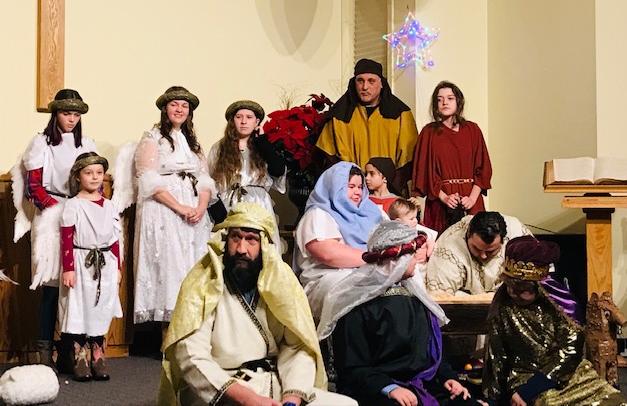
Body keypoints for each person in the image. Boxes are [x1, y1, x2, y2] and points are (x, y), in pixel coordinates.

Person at [158, 202, 356, 406]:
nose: (241, 249)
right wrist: (248, 399)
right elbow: (191, 355)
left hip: (272, 383)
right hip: (221, 388)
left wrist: (292, 398)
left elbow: (296, 346)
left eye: (251, 239)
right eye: (236, 237)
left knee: (346, 404)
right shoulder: (203, 285)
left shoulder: (282, 284)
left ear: (264, 246)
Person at [324, 221, 485, 406]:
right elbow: (352, 367)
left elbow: (432, 355)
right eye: (412, 255)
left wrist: (448, 377)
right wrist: (390, 388)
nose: (416, 260)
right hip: (377, 389)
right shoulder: (357, 305)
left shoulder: (417, 299)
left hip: (424, 385)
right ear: (396, 261)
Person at [482, 236, 627, 406]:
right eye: (510, 287)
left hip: (569, 374)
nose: (514, 294)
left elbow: (570, 350)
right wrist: (493, 399)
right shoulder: (503, 305)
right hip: (524, 377)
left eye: (522, 290)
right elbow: (496, 355)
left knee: (617, 402)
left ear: (538, 286)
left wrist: (538, 384)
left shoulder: (560, 306)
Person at [11, 89, 97, 368]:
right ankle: (45, 352)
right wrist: (57, 209)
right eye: (66, 113)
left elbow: (94, 183)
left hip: (79, 212)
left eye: (76, 114)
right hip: (50, 214)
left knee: (75, 285)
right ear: (56, 114)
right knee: (50, 286)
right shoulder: (42, 143)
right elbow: (34, 186)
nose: (71, 119)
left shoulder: (86, 144)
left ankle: (70, 351)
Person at [133, 86, 215, 326]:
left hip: (193, 207)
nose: (179, 109)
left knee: (193, 263)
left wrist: (201, 206)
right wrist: (179, 207)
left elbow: (204, 179)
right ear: (164, 108)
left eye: (184, 106)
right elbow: (148, 180)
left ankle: (192, 326)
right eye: (174, 104)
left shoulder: (193, 143)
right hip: (165, 210)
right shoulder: (152, 138)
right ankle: (168, 329)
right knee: (170, 265)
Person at [58, 153, 123, 381]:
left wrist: (117, 266)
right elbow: (67, 237)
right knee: (79, 305)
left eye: (99, 173)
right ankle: (79, 355)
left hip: (105, 263)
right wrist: (68, 268)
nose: (95, 177)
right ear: (78, 176)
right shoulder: (74, 205)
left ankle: (98, 355)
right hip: (81, 261)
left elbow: (116, 238)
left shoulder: (110, 206)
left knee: (101, 306)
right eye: (88, 173)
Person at [295, 161, 383, 320]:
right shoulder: (318, 215)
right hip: (329, 277)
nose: (357, 192)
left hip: (373, 271)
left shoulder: (372, 211)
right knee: (353, 296)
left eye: (360, 187)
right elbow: (328, 253)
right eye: (351, 187)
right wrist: (378, 257)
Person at [316, 58, 418, 192]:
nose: (365, 87)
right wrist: (352, 185)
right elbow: (329, 156)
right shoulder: (340, 115)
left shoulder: (401, 114)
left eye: (371, 81)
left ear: (381, 83)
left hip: (390, 192)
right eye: (360, 81)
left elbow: (408, 159)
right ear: (354, 83)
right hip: (350, 191)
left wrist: (388, 189)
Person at [412, 81, 492, 235]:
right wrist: (444, 198)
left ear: (458, 102)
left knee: (475, 240)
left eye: (450, 98)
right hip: (441, 202)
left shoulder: (472, 130)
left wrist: (472, 199)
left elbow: (483, 168)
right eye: (440, 99)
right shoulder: (429, 133)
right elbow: (425, 172)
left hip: (471, 199)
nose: (444, 102)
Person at [208, 100, 287, 253]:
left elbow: (278, 171)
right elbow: (210, 181)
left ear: (256, 122)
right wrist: (217, 210)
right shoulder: (219, 148)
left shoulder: (263, 147)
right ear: (232, 121)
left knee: (260, 247)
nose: (244, 121)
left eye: (249, 117)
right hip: (229, 203)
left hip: (257, 203)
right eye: (239, 117)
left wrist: (263, 143)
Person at [424, 212, 532, 296]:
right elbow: (439, 298)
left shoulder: (518, 235)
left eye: (490, 251)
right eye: (476, 248)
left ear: (503, 240)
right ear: (468, 234)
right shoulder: (449, 249)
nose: (483, 256)